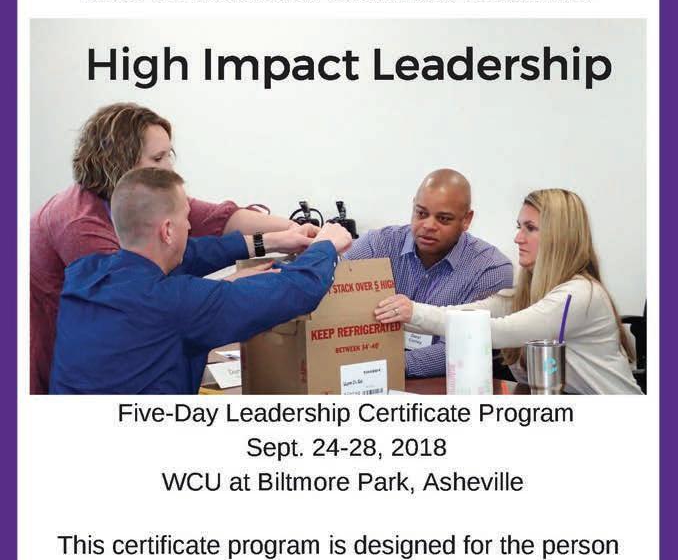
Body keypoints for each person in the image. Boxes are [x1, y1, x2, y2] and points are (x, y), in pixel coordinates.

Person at [31, 103, 317, 392]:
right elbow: (145, 306)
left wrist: (291, 231)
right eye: (158, 158)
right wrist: (227, 290)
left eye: (169, 155)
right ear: (118, 162)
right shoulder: (79, 225)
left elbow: (218, 219)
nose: (168, 167)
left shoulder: (145, 201)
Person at [49, 168, 351, 395]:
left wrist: (273, 240)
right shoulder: (177, 304)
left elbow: (191, 254)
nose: (190, 227)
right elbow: (298, 289)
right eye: (186, 218)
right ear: (168, 230)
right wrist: (326, 245)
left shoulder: (82, 274)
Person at [374, 189, 641, 395]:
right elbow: (469, 313)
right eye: (519, 227)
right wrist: (403, 312)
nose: (518, 238)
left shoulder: (580, 295)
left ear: (559, 237)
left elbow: (499, 331)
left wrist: (413, 312)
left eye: (530, 228)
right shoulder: (529, 294)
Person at [343, 169, 513, 378]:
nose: (428, 226)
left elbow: (464, 347)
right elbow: (329, 291)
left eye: (443, 219)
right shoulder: (378, 245)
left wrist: (381, 366)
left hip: (446, 386)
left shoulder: (490, 269)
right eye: (421, 214)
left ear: (466, 219)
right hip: (368, 374)